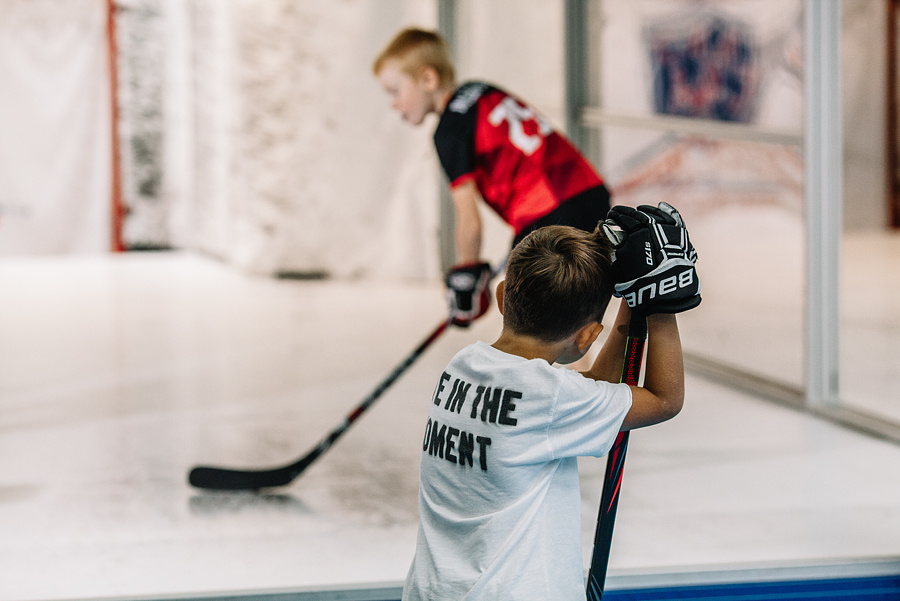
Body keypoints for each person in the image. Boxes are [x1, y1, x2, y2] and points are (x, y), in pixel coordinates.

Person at [401, 202, 701, 600]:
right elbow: (664, 399)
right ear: (587, 337)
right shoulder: (554, 398)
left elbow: (595, 391)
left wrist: (634, 301)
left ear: (504, 296)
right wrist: (660, 301)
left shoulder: (462, 367)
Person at [373, 27, 612, 327]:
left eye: (395, 91)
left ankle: (570, 371)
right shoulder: (480, 89)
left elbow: (469, 222)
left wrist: (466, 274)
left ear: (428, 79)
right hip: (592, 193)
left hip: (547, 213)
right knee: (570, 320)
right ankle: (584, 371)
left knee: (533, 326)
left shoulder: (448, 132)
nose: (393, 103)